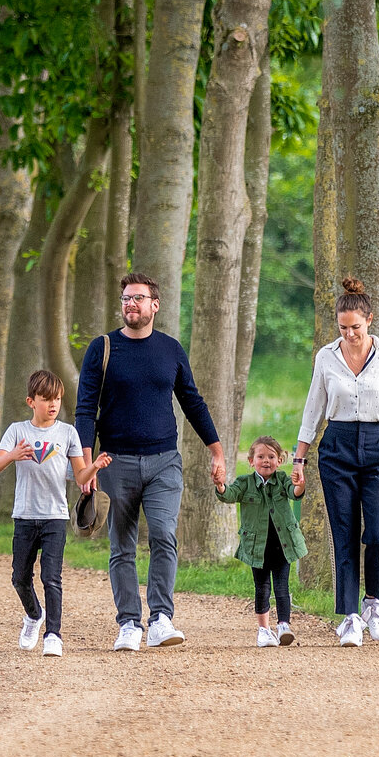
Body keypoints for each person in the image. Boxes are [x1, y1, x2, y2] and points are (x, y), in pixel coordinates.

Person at [74, 272, 226, 652]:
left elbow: (192, 401)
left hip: (164, 462)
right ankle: (128, 623)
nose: (131, 304)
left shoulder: (171, 349)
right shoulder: (103, 347)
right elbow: (84, 409)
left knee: (163, 535)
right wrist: (86, 467)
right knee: (121, 545)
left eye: (138, 298)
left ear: (155, 305)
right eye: (126, 298)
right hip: (114, 462)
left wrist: (216, 450)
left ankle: (160, 619)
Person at [294, 277, 379, 647]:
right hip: (338, 447)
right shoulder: (326, 357)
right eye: (343, 328)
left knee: (377, 533)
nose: (349, 335)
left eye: (356, 328)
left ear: (370, 320)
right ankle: (348, 618)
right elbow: (313, 410)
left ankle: (374, 604)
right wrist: (299, 458)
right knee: (343, 532)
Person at [0, 370, 106, 658]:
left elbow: (79, 476)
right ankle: (33, 615)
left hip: (55, 516)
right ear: (31, 401)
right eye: (46, 399)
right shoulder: (17, 431)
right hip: (25, 516)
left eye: (57, 399)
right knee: (19, 578)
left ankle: (54, 635)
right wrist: (13, 455)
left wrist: (95, 467)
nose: (53, 404)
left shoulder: (67, 433)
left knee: (52, 577)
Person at [217, 434, 306, 646]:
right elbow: (229, 495)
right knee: (262, 587)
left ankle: (284, 625)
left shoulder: (283, 479)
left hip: (283, 545)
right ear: (251, 461)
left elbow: (294, 494)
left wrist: (300, 484)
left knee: (282, 587)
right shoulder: (245, 483)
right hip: (257, 547)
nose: (266, 461)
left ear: (279, 460)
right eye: (261, 456)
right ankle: (264, 630)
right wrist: (221, 486)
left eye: (271, 456)